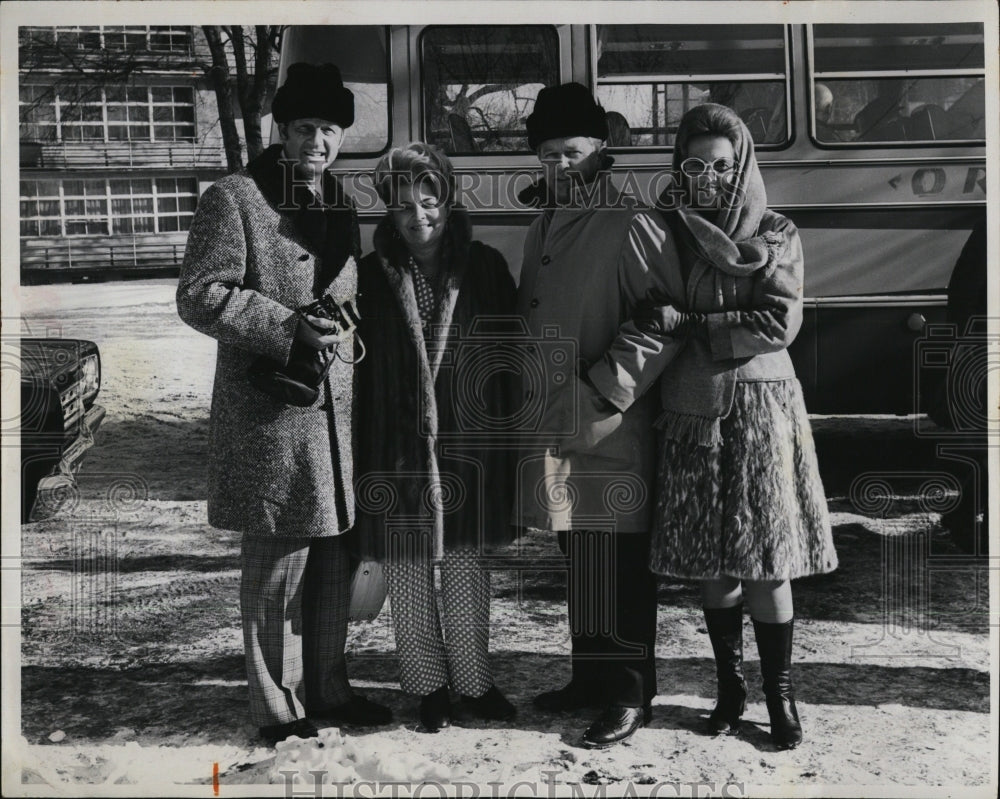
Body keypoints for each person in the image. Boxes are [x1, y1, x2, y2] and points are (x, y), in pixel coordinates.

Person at [176, 62, 391, 744]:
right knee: (277, 563)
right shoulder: (235, 197)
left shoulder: (340, 201)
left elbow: (344, 290)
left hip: (332, 414)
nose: (317, 143)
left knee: (331, 558)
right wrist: (286, 324)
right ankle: (277, 707)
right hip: (268, 415)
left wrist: (342, 322)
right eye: (304, 128)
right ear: (281, 129)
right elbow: (200, 295)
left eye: (329, 130)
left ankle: (328, 687)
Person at [644, 103, 838, 750]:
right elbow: (647, 303)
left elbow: (778, 323)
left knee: (766, 560)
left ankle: (780, 694)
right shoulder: (664, 229)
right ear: (680, 168)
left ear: (743, 165)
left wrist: (691, 324)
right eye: (695, 166)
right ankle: (730, 690)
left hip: (761, 412)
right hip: (692, 411)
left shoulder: (776, 231)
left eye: (722, 166)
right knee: (711, 561)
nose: (710, 178)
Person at [515, 82, 688, 748]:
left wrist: (602, 393)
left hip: (610, 422)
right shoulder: (544, 224)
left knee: (621, 563)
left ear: (600, 148)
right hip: (558, 421)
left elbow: (660, 325)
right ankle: (590, 676)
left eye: (573, 151)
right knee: (580, 553)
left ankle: (630, 693)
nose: (560, 164)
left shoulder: (631, 221)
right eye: (549, 154)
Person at [353, 142, 519, 733]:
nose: (418, 215)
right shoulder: (368, 275)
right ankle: (427, 687)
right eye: (403, 205)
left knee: (468, 563)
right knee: (406, 563)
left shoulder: (485, 267)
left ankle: (473, 682)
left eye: (429, 201)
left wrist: (506, 443)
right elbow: (357, 372)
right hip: (395, 442)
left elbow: (511, 358)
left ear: (448, 201)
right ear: (388, 210)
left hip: (469, 442)